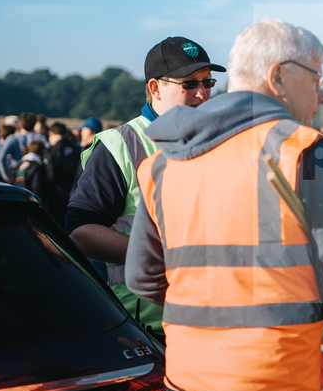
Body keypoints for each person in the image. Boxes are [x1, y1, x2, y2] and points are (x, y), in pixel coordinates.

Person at [126, 17, 323, 391]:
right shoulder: (301, 150)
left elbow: (141, 278)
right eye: (317, 77)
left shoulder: (163, 161)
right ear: (277, 76)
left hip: (184, 385)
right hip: (270, 387)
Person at [66, 36, 224, 341]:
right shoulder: (120, 144)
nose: (203, 94)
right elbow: (81, 234)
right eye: (189, 84)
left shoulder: (213, 143)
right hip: (147, 332)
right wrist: (166, 256)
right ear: (155, 88)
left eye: (208, 82)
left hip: (211, 320)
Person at [43, 122, 81, 224]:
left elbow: (50, 176)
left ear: (50, 133)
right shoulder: (77, 149)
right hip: (77, 192)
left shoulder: (51, 151)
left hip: (57, 195)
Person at [0, 112, 48, 182]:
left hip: (17, 175)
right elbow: (49, 154)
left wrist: (6, 176)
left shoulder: (12, 138)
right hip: (36, 174)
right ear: (34, 124)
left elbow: (1, 157)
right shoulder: (40, 138)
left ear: (20, 124)